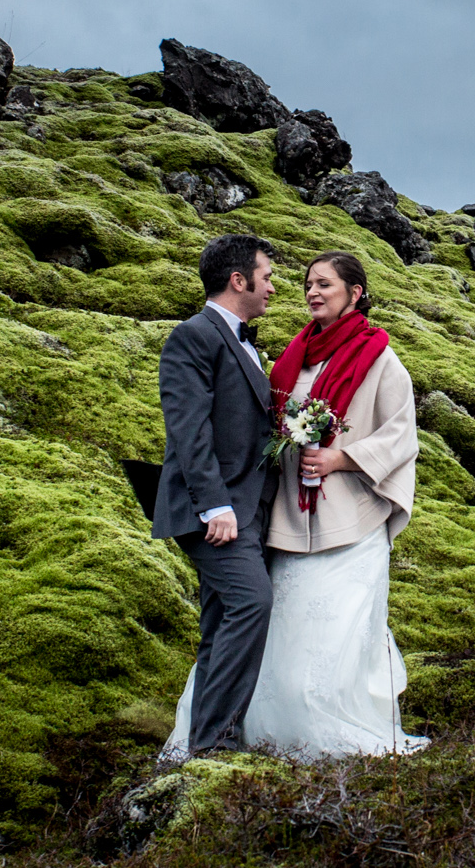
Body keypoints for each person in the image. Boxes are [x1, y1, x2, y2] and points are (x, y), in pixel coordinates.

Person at [164, 249, 428, 759]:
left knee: (331, 635)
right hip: (284, 517)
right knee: (270, 625)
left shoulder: (381, 357)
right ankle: (236, 733)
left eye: (324, 284)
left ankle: (308, 732)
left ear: (354, 294)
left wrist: (341, 459)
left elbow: (401, 436)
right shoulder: (294, 355)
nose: (311, 292)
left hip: (347, 518)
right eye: (308, 283)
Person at [153, 233, 280, 754]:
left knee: (221, 621)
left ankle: (202, 743)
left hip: (246, 509)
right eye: (267, 276)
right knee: (252, 602)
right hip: (214, 511)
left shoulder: (242, 339)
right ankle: (216, 743)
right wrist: (216, 505)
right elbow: (189, 429)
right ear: (238, 280)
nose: (273, 287)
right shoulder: (194, 335)